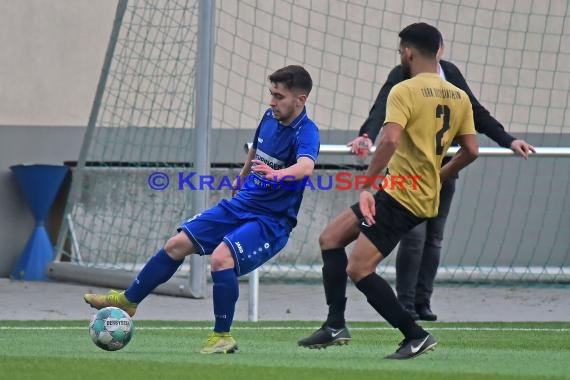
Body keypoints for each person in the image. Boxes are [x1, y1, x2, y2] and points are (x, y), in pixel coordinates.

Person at [84, 65, 320, 354]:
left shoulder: (307, 132)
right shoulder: (269, 117)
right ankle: (129, 301)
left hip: (272, 220)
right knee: (176, 244)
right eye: (271, 94)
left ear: (301, 99)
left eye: (279, 96)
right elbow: (255, 148)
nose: (272, 102)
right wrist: (243, 175)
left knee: (221, 259)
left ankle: (222, 335)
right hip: (242, 203)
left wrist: (277, 176)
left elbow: (306, 166)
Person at [298, 22, 479, 359]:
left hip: (402, 196)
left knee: (359, 269)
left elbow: (391, 139)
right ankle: (335, 324)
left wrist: (366, 183)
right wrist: (440, 175)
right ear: (438, 50)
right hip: (408, 192)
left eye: (401, 52)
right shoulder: (458, 96)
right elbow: (471, 150)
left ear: (408, 53)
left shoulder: (404, 89)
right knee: (330, 238)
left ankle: (415, 334)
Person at [348, 38, 535, 321]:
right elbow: (382, 110)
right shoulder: (401, 79)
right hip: (409, 175)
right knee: (413, 236)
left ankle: (423, 302)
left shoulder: (451, 78)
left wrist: (508, 140)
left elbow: (477, 113)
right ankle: (406, 303)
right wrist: (366, 135)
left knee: (434, 237)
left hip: (442, 168)